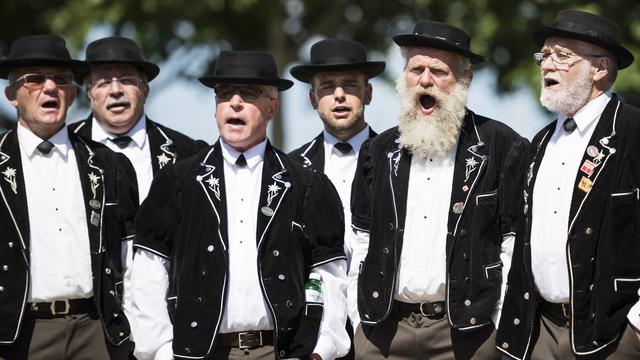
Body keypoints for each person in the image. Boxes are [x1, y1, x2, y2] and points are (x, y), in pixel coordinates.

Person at [130, 50, 350, 360]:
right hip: (198, 353)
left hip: (280, 351)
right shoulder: (177, 182)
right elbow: (149, 272)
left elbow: (329, 274)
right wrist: (162, 351)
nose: (235, 102)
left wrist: (322, 349)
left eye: (248, 93)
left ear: (272, 106)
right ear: (215, 106)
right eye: (224, 93)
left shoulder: (307, 185)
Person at [349, 20, 527, 359]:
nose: (425, 80)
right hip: (383, 331)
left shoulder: (502, 146)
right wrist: (359, 320)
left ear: (465, 79)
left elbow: (512, 245)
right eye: (416, 69)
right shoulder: (378, 151)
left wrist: (499, 325)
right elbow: (362, 240)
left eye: (438, 71)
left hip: (466, 334)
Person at [497, 10, 640, 359]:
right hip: (540, 330)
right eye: (544, 55)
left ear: (600, 68)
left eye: (562, 56)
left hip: (615, 334)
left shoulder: (634, 131)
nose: (547, 65)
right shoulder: (539, 143)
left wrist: (637, 326)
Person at [0, 35, 138, 359]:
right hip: (19, 334)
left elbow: (132, 261)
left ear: (72, 94)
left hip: (96, 331)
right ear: (12, 95)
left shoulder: (109, 165)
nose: (50, 87)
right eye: (34, 79)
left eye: (61, 80)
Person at [288, 38, 384, 358]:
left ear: (368, 93)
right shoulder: (288, 170)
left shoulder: (397, 160)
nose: (339, 94)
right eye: (327, 86)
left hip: (383, 324)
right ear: (313, 98)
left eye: (350, 85)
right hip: (311, 329)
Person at [69, 36, 206, 202]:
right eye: (104, 82)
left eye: (126, 80)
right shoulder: (65, 146)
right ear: (89, 95)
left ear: (145, 90)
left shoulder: (188, 153)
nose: (116, 90)